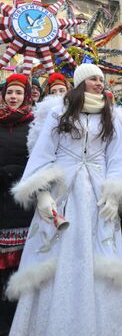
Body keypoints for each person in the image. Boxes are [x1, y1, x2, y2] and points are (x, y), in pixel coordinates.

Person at [7, 64, 122, 336]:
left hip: (98, 195)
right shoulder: (59, 112)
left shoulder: (110, 115)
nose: (99, 83)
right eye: (93, 78)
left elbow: (115, 159)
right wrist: (41, 193)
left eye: (101, 79)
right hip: (64, 193)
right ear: (80, 83)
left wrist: (114, 195)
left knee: (98, 255)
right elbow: (43, 154)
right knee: (58, 254)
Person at [0, 74, 34, 335]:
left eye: (18, 93)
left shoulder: (33, 125)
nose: (14, 97)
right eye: (10, 92)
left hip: (23, 203)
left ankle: (17, 321)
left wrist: (21, 172)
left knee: (19, 269)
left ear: (27, 96)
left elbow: (41, 158)